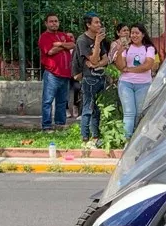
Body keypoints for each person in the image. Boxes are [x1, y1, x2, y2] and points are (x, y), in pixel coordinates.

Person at [72, 13, 109, 148]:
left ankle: (95, 136)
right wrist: (97, 44)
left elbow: (106, 59)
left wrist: (97, 64)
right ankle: (85, 138)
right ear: (88, 25)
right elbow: (92, 59)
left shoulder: (99, 39)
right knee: (88, 108)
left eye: (100, 22)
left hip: (100, 77)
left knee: (97, 109)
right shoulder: (83, 40)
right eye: (96, 23)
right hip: (89, 78)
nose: (99, 25)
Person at [114, 23, 156, 139]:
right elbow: (120, 66)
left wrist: (130, 69)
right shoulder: (127, 48)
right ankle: (127, 139)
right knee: (129, 112)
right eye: (132, 33)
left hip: (143, 84)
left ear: (143, 35)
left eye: (137, 33)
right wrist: (119, 52)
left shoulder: (149, 48)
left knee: (138, 113)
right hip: (126, 83)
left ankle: (137, 140)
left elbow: (147, 65)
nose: (134, 35)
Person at [38, 12, 75, 131]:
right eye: (51, 21)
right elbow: (50, 52)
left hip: (65, 74)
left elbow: (72, 45)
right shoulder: (44, 37)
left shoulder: (62, 35)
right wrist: (64, 46)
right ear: (46, 23)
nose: (54, 23)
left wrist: (60, 44)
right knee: (48, 101)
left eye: (56, 21)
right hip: (52, 74)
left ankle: (60, 125)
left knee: (62, 102)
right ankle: (47, 126)